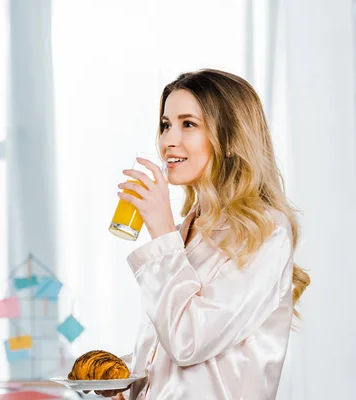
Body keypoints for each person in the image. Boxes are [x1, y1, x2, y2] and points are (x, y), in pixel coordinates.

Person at [97, 69, 310, 399]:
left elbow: (188, 342)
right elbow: (170, 354)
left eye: (188, 124)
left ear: (229, 139)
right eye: (166, 124)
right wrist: (126, 384)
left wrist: (162, 231)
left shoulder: (266, 232)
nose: (168, 140)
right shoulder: (188, 228)